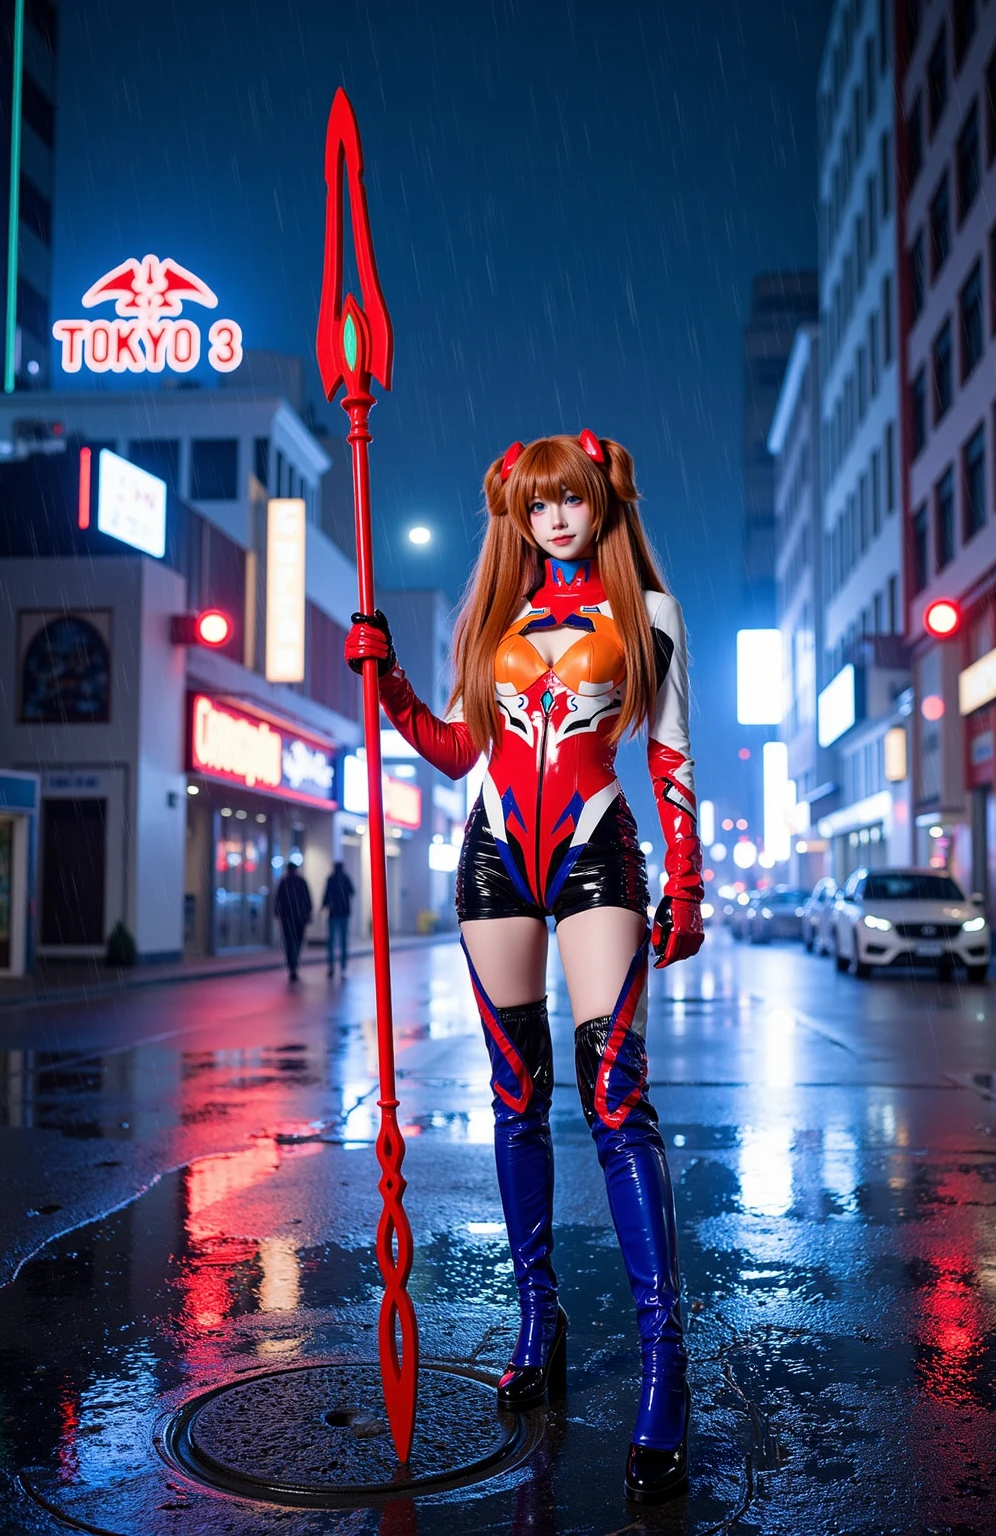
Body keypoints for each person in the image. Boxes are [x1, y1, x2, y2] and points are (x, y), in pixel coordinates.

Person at [345, 432, 703, 1505]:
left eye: (574, 501)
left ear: (600, 506)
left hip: (599, 853)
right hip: (495, 859)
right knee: (517, 1100)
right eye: (540, 505)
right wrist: (391, 680)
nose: (557, 519)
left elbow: (671, 751)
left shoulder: (649, 614)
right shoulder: (490, 623)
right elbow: (460, 750)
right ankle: (538, 1319)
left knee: (614, 1096)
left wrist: (688, 876)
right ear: (518, 514)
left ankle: (661, 1364)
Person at [273, 858, 313, 981]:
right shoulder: (301, 882)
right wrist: (308, 914)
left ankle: (292, 966)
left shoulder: (283, 882)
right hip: (299, 918)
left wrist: (278, 914)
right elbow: (307, 900)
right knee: (298, 941)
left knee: (289, 942)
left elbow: (278, 901)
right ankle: (295, 963)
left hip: (287, 919)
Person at [322, 859, 355, 976]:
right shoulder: (346, 878)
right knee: (343, 942)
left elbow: (325, 894)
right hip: (344, 913)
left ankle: (331, 966)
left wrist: (324, 906)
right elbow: (352, 892)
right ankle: (343, 967)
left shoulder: (330, 879)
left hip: (333, 913)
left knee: (331, 942)